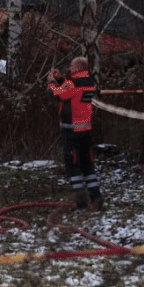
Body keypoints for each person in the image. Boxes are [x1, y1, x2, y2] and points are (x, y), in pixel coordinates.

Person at [46, 56, 104, 210]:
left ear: (78, 68)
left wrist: (51, 82)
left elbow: (57, 94)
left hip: (71, 132)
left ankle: (81, 201)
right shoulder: (90, 82)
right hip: (85, 131)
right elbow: (69, 90)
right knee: (88, 166)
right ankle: (96, 198)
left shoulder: (74, 84)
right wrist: (60, 79)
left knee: (73, 166)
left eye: (72, 67)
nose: (70, 69)